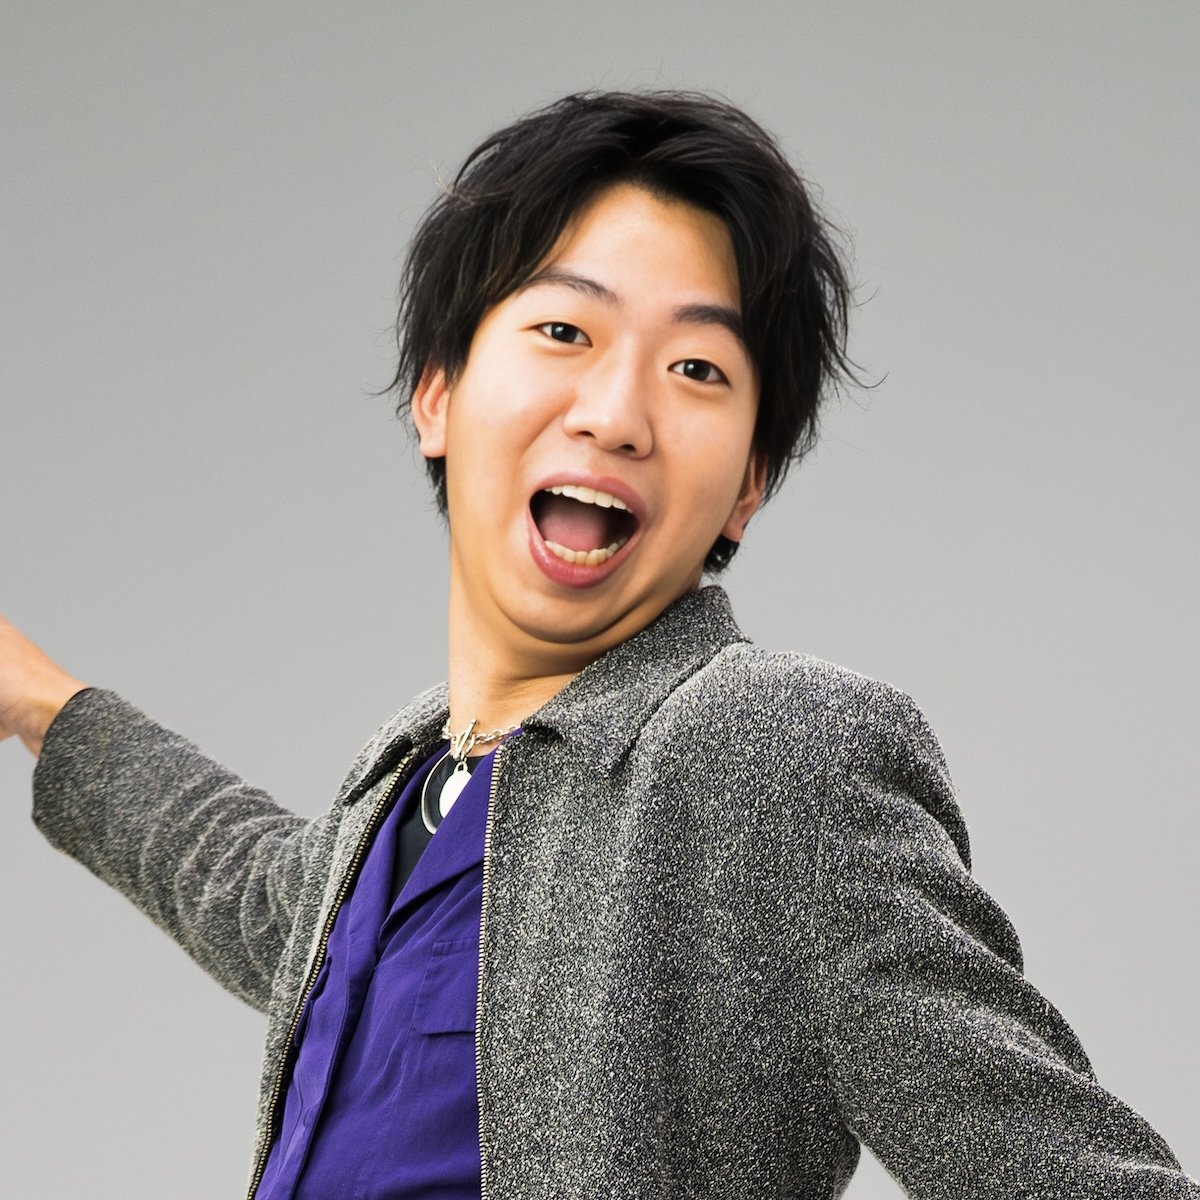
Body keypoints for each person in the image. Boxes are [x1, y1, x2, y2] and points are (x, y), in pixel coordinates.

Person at [1, 91, 1195, 1200]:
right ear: (438, 395)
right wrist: (41, 702)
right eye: (566, 328)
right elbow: (271, 902)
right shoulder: (417, 771)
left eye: (696, 368)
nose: (617, 414)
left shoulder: (775, 755)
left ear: (748, 485)